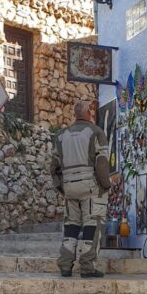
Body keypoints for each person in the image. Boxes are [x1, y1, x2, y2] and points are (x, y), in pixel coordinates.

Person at [50, 99, 111, 278]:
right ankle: (87, 267)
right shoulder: (96, 132)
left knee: (71, 227)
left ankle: (65, 266)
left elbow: (54, 166)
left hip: (69, 187)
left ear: (75, 115)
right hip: (90, 188)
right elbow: (101, 163)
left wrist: (61, 187)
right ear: (89, 113)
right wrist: (106, 185)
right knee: (92, 226)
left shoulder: (61, 135)